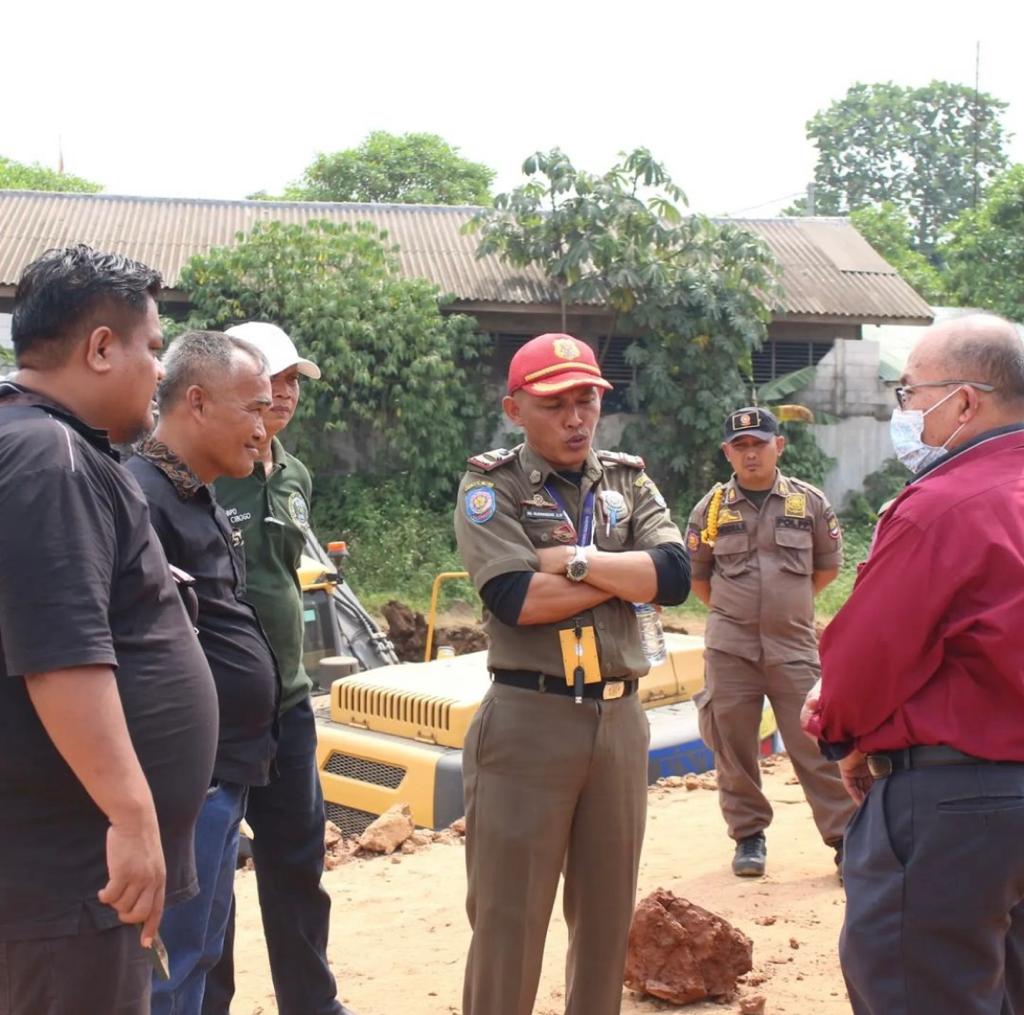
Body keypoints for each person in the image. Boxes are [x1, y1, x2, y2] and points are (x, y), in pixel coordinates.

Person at [0, 245, 218, 1013]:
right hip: (72, 877)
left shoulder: (42, 446)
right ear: (100, 348)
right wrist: (131, 815)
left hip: (71, 877)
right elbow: (61, 656)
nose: (160, 371)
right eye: (152, 348)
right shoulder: (51, 458)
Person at [454, 332, 690, 1015]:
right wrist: (625, 577)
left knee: (606, 917)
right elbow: (517, 599)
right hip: (530, 720)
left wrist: (577, 563)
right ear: (514, 408)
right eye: (555, 402)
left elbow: (675, 576)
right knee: (509, 922)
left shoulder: (626, 478)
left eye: (586, 398)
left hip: (619, 720)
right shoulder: (489, 485)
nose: (576, 417)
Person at [804, 314, 1024, 1015]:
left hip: (954, 804)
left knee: (917, 983)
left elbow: (866, 660)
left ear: (964, 401)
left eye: (908, 393)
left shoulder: (943, 507)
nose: (903, 412)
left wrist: (842, 732)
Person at [125, 330, 280, 1013]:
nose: (263, 427)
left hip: (224, 772)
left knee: (200, 958)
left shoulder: (197, 493)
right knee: (169, 969)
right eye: (252, 408)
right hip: (188, 783)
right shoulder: (142, 498)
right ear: (195, 400)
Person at [203, 321, 353, 1015]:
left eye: (295, 380)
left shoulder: (294, 474)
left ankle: (311, 1002)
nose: (286, 392)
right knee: (209, 875)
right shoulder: (197, 472)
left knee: (298, 865)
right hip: (214, 710)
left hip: (289, 703)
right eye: (275, 378)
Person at [686, 407, 854, 878]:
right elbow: (699, 578)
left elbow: (826, 568)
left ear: (778, 445)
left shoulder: (810, 503)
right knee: (733, 747)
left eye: (758, 443)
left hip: (794, 645)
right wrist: (736, 613)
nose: (750, 453)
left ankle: (845, 840)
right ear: (727, 453)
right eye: (740, 447)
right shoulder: (711, 509)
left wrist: (786, 607)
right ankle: (748, 837)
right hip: (730, 648)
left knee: (816, 746)